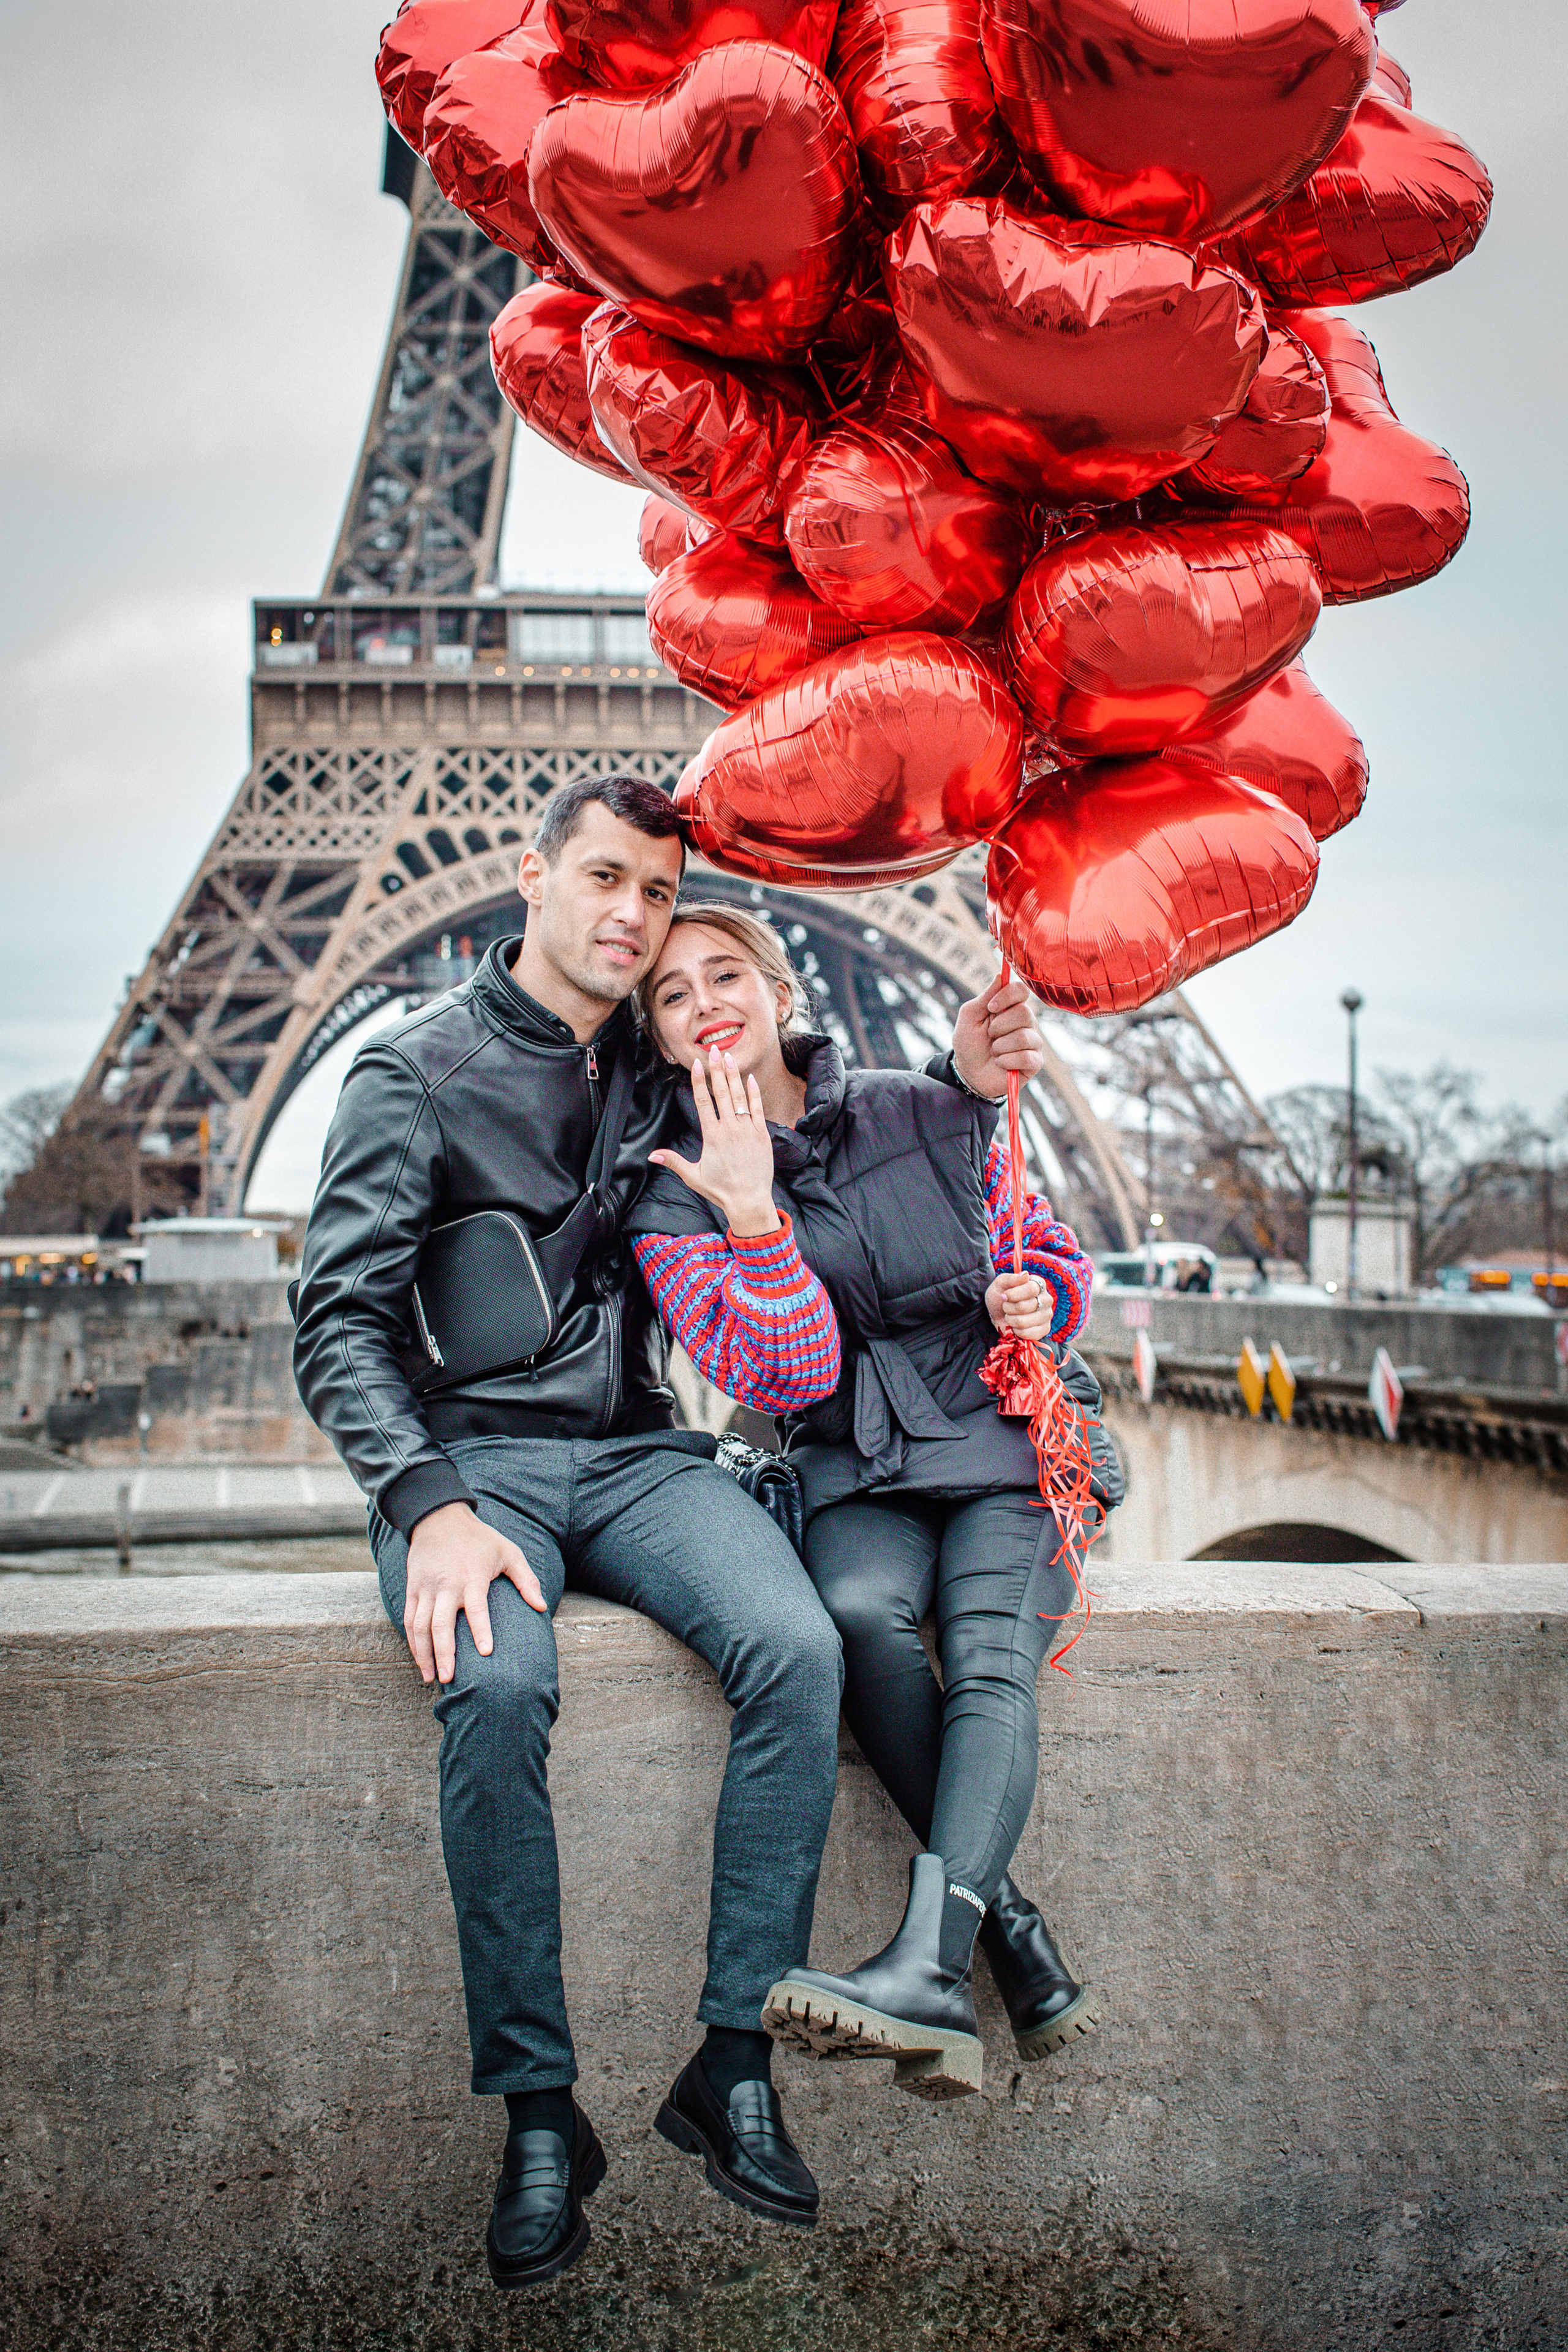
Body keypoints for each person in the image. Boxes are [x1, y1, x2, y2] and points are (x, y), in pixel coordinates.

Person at [291, 777, 1038, 2285]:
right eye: (607, 882)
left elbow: (828, 1110)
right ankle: (540, 2112)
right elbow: (337, 1320)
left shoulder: (659, 1068)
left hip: (635, 1457)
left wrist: (960, 1079)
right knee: (496, 1689)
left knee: (793, 1640)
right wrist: (424, 1503)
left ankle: (730, 2062)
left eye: (657, 892)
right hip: (475, 1467)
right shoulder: (409, 1072)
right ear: (531, 876)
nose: (633, 916)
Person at [628, 905, 1121, 2103]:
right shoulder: (671, 1200)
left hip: (1003, 1431)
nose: (706, 1001)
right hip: (852, 1456)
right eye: (673, 993)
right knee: (852, 1613)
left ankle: (924, 1967)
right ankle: (1010, 1943)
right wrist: (750, 1211)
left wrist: (1034, 1303)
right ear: (655, 1038)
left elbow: (1049, 1255)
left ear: (781, 991)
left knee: (991, 1654)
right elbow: (779, 1381)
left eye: (725, 973)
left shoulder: (919, 1105)